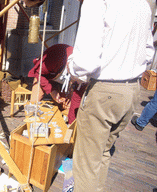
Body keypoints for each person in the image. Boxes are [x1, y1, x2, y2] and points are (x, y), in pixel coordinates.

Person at [25, 0, 155, 191]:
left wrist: (73, 66)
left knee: (85, 165)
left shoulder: (97, 2)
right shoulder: (142, 3)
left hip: (104, 90)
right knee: (102, 155)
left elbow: (85, 63)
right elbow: (149, 54)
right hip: (131, 91)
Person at [28, 43, 87, 124]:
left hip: (63, 79)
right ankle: (31, 125)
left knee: (68, 104)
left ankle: (61, 123)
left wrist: (71, 125)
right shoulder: (54, 59)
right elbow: (38, 73)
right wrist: (52, 91)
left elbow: (77, 98)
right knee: (33, 106)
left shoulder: (84, 71)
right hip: (45, 75)